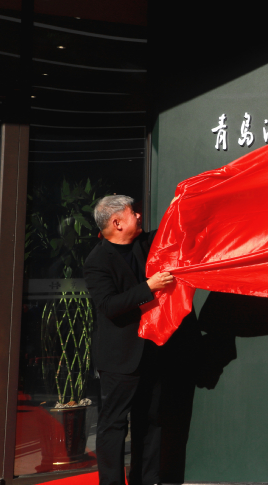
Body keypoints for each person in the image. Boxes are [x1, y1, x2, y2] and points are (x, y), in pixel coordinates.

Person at [84, 195, 174, 485]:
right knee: (114, 425)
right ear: (117, 223)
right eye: (132, 212)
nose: (138, 215)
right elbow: (109, 306)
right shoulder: (97, 261)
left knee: (151, 420)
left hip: (151, 350)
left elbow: (171, 229)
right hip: (120, 358)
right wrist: (149, 287)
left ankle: (146, 480)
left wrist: (180, 204)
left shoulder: (143, 243)